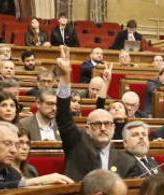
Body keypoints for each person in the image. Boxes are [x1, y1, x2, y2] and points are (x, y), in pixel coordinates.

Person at [54, 46, 127, 180]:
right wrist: (65, 78)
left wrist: (106, 84)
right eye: (97, 125)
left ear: (113, 127)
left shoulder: (121, 157)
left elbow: (99, 110)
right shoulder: (76, 145)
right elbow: (63, 116)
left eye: (107, 124)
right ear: (87, 129)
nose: (103, 128)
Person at [0, 121, 73, 192]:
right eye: (7, 144)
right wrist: (38, 181)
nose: (14, 150)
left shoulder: (11, 172)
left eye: (16, 144)